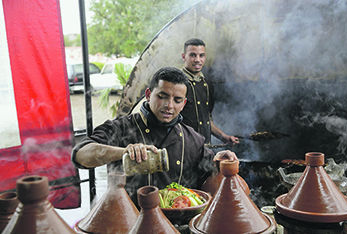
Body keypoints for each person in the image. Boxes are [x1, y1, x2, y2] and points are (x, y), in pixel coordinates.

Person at [71, 67, 238, 205]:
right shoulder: (121, 127)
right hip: (131, 226)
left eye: (177, 100)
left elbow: (212, 173)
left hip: (176, 227)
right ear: (149, 94)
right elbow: (80, 156)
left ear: (184, 103)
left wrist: (220, 161)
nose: (169, 106)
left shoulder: (192, 139)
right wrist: (123, 153)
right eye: (162, 96)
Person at [181, 38, 239, 145]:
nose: (197, 60)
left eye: (201, 55)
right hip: (184, 150)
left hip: (205, 150)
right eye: (193, 55)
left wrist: (223, 136)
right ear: (184, 57)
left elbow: (207, 120)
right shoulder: (176, 83)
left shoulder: (207, 85)